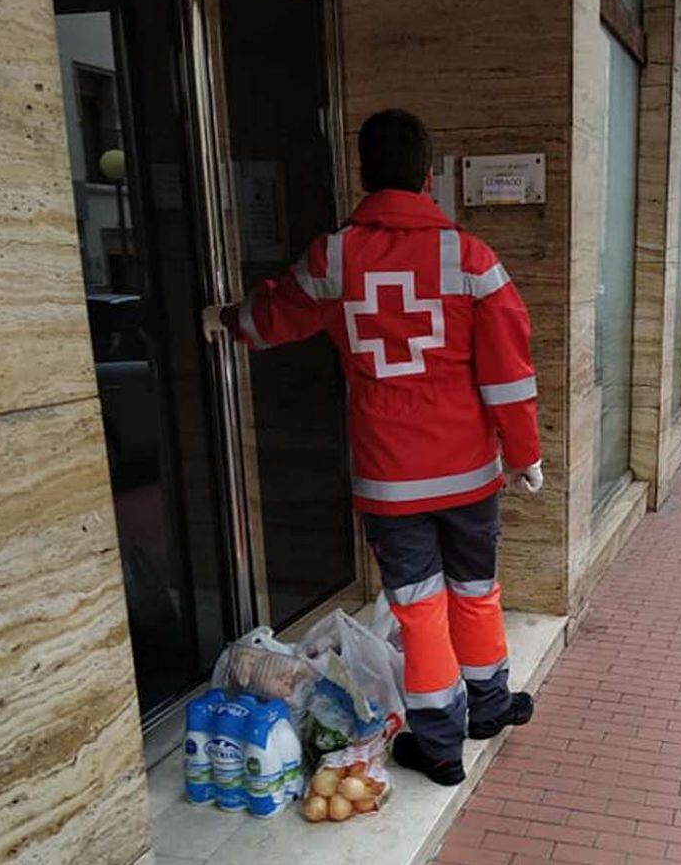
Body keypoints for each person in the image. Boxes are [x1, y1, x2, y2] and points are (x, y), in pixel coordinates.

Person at [202, 109, 542, 786]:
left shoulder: (335, 256)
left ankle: (442, 748)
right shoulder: (473, 260)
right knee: (476, 591)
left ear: (363, 172)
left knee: (419, 612)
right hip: (470, 473)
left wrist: (227, 320)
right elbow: (508, 371)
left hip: (391, 479)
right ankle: (490, 704)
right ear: (428, 176)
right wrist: (523, 452)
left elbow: (276, 315)